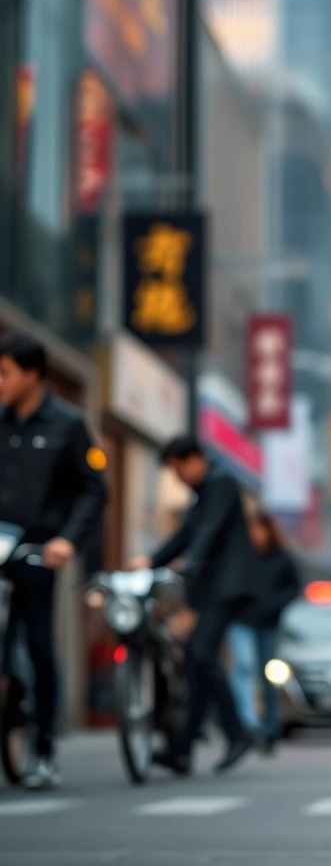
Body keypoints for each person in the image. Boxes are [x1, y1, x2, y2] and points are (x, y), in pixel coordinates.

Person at [0, 332, 107, 790]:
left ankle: (43, 747)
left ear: (33, 374)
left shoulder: (68, 424)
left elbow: (94, 489)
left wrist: (66, 539)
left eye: (4, 373)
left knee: (40, 645)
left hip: (38, 551)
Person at [131, 436, 261, 774]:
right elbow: (187, 534)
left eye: (177, 469)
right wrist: (151, 560)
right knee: (195, 660)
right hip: (213, 588)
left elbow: (208, 531)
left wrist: (190, 562)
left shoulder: (221, 483)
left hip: (226, 588)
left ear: (195, 459)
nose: (177, 477)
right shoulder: (204, 491)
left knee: (200, 654)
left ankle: (237, 732)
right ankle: (182, 748)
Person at [226, 506, 299, 753]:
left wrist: (274, 605)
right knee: (244, 669)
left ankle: (270, 728)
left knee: (269, 676)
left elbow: (293, 588)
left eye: (258, 529)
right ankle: (248, 725)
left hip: (268, 624)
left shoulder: (281, 558)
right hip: (243, 622)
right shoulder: (241, 556)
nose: (255, 535)